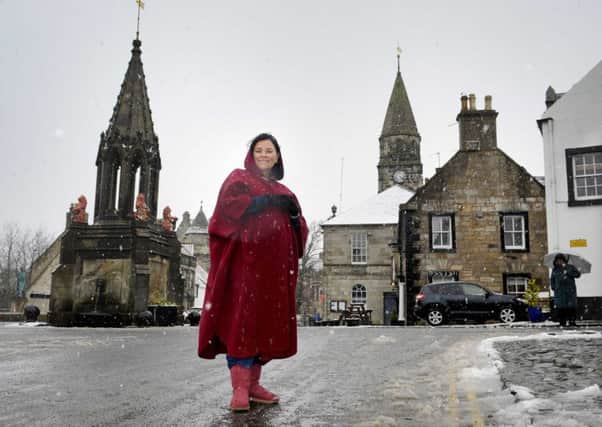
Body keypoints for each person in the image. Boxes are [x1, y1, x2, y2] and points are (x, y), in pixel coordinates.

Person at [197, 133, 308, 412]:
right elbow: (226, 210)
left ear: (277, 156)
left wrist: (295, 218)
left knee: (265, 326)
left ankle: (254, 385)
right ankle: (240, 389)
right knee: (241, 324)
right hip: (244, 269)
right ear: (251, 154)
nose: (264, 155)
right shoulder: (238, 178)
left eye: (269, 150)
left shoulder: (286, 192)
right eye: (259, 150)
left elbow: (299, 234)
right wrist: (262, 203)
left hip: (274, 274)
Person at [550, 254, 581, 327]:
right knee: (561, 308)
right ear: (556, 261)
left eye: (561, 260)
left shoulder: (570, 267)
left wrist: (568, 272)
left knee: (571, 308)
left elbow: (578, 274)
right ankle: (562, 322)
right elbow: (552, 279)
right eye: (557, 260)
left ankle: (572, 322)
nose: (559, 262)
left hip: (570, 291)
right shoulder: (555, 269)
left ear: (564, 260)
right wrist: (553, 287)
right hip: (559, 292)